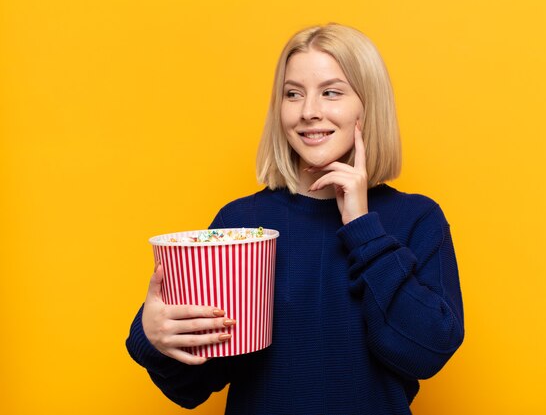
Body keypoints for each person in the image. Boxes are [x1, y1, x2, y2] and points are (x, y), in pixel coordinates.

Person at [126, 23, 464, 415]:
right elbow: (193, 386)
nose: (308, 112)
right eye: (293, 94)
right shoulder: (242, 223)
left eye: (331, 92)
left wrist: (362, 228)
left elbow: (427, 352)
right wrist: (152, 336)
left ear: (368, 106)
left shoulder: (416, 219)